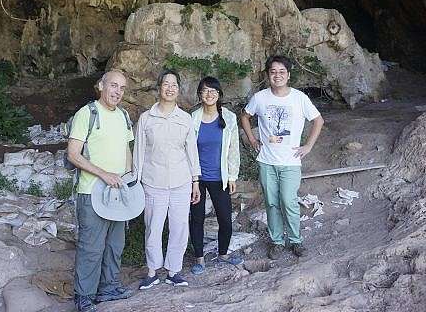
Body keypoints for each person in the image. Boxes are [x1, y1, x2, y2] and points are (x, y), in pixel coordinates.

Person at [240, 55, 324, 259]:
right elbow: (244, 116)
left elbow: (318, 120)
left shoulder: (299, 98)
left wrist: (308, 146)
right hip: (267, 160)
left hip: (290, 161)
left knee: (288, 201)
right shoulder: (260, 98)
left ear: (288, 74)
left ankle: (295, 240)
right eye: (273, 72)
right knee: (271, 202)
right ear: (268, 75)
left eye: (281, 71)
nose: (277, 75)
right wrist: (253, 140)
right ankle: (277, 241)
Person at [67, 70, 135, 312]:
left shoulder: (124, 116)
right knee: (91, 246)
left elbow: (127, 149)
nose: (117, 91)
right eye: (113, 85)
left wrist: (128, 177)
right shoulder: (87, 114)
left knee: (115, 244)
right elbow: (73, 155)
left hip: (118, 192)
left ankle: (108, 288)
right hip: (92, 191)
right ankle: (84, 296)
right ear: (101, 86)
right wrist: (103, 174)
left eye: (122, 88)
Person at [133, 69, 201, 289]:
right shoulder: (146, 118)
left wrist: (195, 181)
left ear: (178, 90)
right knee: (153, 227)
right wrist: (136, 181)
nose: (170, 88)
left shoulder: (185, 118)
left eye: (174, 85)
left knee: (180, 227)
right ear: (159, 88)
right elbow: (139, 152)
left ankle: (174, 271)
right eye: (166, 84)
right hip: (153, 182)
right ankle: (152, 271)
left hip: (181, 182)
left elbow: (192, 151)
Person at [189, 76, 243, 275]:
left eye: (213, 91)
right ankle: (199, 259)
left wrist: (232, 176)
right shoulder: (193, 118)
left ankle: (223, 254)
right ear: (200, 95)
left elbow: (233, 148)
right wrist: (192, 178)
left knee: (225, 219)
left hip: (220, 176)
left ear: (219, 94)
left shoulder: (228, 117)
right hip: (197, 178)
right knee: (197, 219)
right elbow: (188, 149)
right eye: (205, 90)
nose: (209, 94)